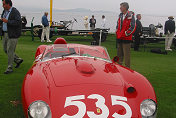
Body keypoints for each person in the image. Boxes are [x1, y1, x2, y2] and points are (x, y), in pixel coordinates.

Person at [1, 0, 23, 74]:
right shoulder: (4, 11)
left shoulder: (15, 11)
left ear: (8, 4)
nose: (2, 6)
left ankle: (9, 68)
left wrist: (7, 21)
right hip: (5, 34)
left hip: (13, 34)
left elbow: (18, 22)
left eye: (4, 4)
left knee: (10, 51)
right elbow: (3, 20)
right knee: (5, 49)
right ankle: (18, 60)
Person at [116, 2, 136, 68]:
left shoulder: (131, 16)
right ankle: (119, 68)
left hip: (126, 39)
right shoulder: (120, 15)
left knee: (127, 55)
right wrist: (117, 32)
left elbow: (133, 27)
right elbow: (117, 25)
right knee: (119, 55)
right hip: (119, 37)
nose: (120, 8)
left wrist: (126, 33)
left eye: (121, 6)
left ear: (125, 7)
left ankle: (127, 70)